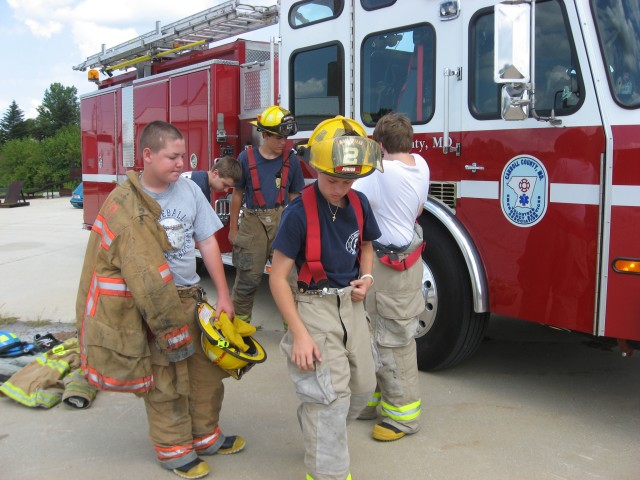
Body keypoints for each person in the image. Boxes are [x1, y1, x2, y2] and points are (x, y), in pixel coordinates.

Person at [76, 120, 244, 479]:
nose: (182, 163)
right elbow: (126, 273)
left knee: (204, 373)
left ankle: (206, 436)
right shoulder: (124, 202)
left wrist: (224, 296)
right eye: (173, 157)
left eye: (183, 156)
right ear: (148, 156)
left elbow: (208, 242)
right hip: (151, 308)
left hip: (189, 299)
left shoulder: (189, 191)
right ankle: (174, 451)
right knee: (166, 381)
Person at [269, 116, 383, 480]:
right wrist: (299, 333)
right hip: (314, 309)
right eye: (332, 179)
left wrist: (366, 277)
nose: (339, 188)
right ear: (314, 167)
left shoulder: (360, 203)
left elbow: (366, 246)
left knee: (363, 389)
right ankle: (328, 471)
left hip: (351, 305)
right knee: (329, 400)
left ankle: (318, 426)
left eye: (347, 180)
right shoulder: (298, 213)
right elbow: (277, 277)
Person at [352, 112, 430, 442]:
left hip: (389, 268)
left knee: (392, 341)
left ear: (379, 145)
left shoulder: (381, 173)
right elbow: (419, 210)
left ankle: (402, 417)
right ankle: (372, 399)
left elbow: (344, 191)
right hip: (402, 263)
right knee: (373, 334)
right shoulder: (421, 164)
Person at [229, 105, 305, 324]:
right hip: (252, 223)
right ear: (265, 135)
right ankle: (240, 329)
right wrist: (234, 229)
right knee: (247, 280)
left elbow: (295, 198)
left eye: (286, 137)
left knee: (290, 281)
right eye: (279, 137)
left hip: (284, 220)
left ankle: (292, 331)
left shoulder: (292, 161)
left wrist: (298, 234)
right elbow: (237, 194)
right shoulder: (246, 158)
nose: (284, 142)